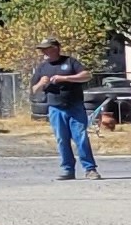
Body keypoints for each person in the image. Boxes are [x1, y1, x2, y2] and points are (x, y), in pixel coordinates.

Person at [30, 38, 99, 181]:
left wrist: (65, 78)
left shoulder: (70, 62)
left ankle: (90, 169)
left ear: (55, 48)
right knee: (62, 139)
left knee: (81, 137)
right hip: (55, 108)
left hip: (75, 106)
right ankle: (67, 169)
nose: (43, 52)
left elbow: (86, 75)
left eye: (46, 48)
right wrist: (41, 84)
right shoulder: (42, 67)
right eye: (42, 49)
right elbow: (33, 89)